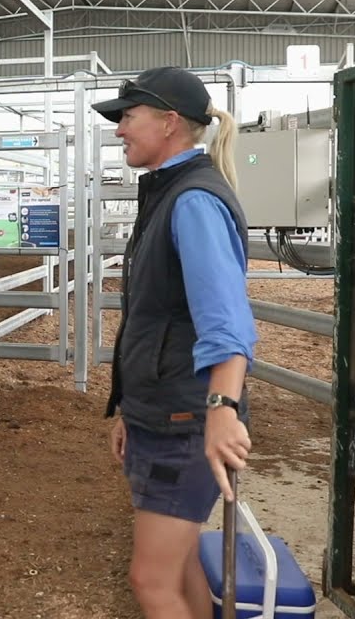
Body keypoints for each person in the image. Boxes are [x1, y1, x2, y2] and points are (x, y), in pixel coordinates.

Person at [92, 67, 257, 619]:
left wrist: (221, 410)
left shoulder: (192, 202)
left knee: (151, 581)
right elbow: (158, 318)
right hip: (163, 414)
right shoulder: (169, 193)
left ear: (168, 123)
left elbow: (227, 323)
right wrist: (131, 413)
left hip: (186, 421)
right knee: (182, 567)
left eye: (127, 117)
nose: (119, 130)